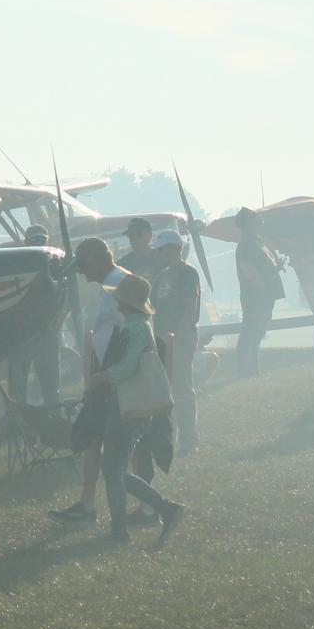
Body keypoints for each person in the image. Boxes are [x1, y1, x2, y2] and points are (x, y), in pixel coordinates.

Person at [95, 274, 185, 544]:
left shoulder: (133, 329)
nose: (116, 301)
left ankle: (121, 530)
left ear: (126, 302)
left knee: (113, 470)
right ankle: (164, 510)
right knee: (116, 470)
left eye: (119, 297)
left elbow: (127, 368)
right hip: (137, 407)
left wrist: (103, 376)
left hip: (128, 406)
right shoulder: (141, 325)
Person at [49, 237, 129, 524]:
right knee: (94, 439)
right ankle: (87, 504)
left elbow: (128, 332)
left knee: (111, 444)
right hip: (106, 373)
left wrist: (105, 376)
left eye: (83, 265)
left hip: (113, 376)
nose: (81, 272)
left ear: (96, 258)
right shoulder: (113, 283)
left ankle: (145, 508)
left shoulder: (117, 284)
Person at [149, 229, 202, 454]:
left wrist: (178, 337)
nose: (161, 253)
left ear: (176, 248)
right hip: (161, 337)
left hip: (181, 337)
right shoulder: (162, 274)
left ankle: (189, 442)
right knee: (165, 391)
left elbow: (190, 308)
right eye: (159, 250)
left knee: (182, 389)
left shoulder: (188, 273)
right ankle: (168, 439)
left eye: (164, 249)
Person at [5, 224, 64, 405]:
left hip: (47, 332)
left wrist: (58, 321)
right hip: (22, 333)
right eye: (34, 239)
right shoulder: (15, 265)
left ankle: (54, 414)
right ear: (26, 242)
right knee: (17, 387)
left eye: (42, 239)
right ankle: (19, 418)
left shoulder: (56, 264)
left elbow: (65, 295)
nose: (39, 242)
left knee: (51, 386)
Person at [233, 207, 285, 377]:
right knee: (251, 331)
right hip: (256, 295)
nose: (259, 218)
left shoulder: (256, 241)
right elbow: (247, 268)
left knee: (258, 332)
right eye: (254, 216)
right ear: (248, 223)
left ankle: (252, 368)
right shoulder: (247, 244)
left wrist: (276, 266)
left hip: (265, 294)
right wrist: (260, 288)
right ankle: (245, 369)